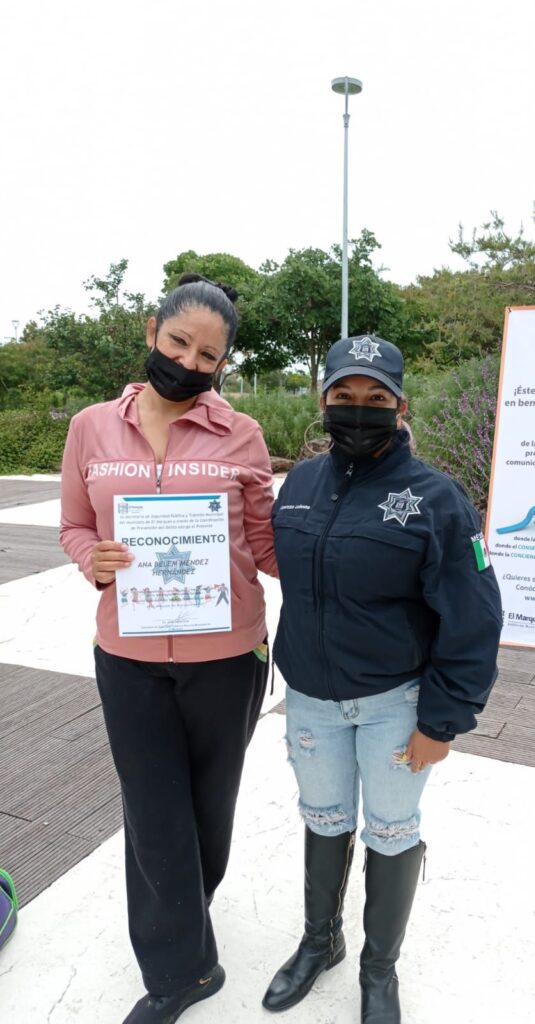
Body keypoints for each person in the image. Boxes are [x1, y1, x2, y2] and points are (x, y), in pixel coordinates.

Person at [263, 336, 503, 1023]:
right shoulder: (301, 484)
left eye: (375, 399)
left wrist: (442, 720)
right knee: (324, 819)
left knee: (392, 829)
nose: (358, 410)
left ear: (400, 406)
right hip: (310, 700)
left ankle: (379, 969)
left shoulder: (436, 498)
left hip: (395, 705)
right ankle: (320, 943)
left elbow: (474, 617)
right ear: (324, 401)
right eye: (344, 397)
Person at [59, 274, 278, 1024]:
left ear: (223, 364)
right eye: (179, 342)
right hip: (128, 654)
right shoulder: (91, 426)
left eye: (208, 355)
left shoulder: (242, 435)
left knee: (208, 806)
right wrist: (94, 558)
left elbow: (266, 547)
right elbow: (73, 526)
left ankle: (188, 910)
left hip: (228, 655)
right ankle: (181, 971)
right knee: (153, 808)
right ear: (152, 332)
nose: (188, 361)